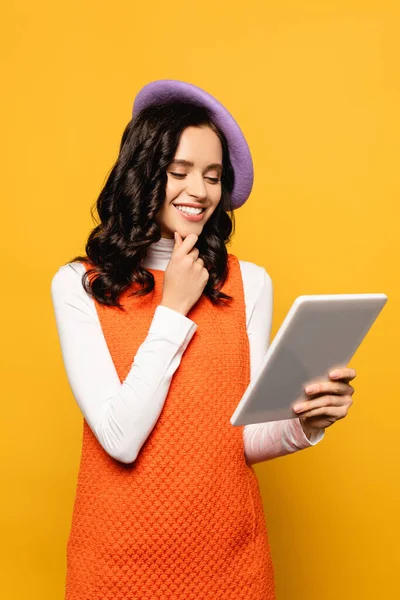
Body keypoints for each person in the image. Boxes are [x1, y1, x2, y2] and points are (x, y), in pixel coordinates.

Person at [51, 80, 356, 600]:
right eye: (180, 172)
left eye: (213, 178)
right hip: (116, 569)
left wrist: (304, 423)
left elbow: (243, 436)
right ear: (143, 172)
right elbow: (120, 439)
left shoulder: (249, 283)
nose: (200, 191)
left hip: (231, 568)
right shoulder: (80, 285)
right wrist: (173, 307)